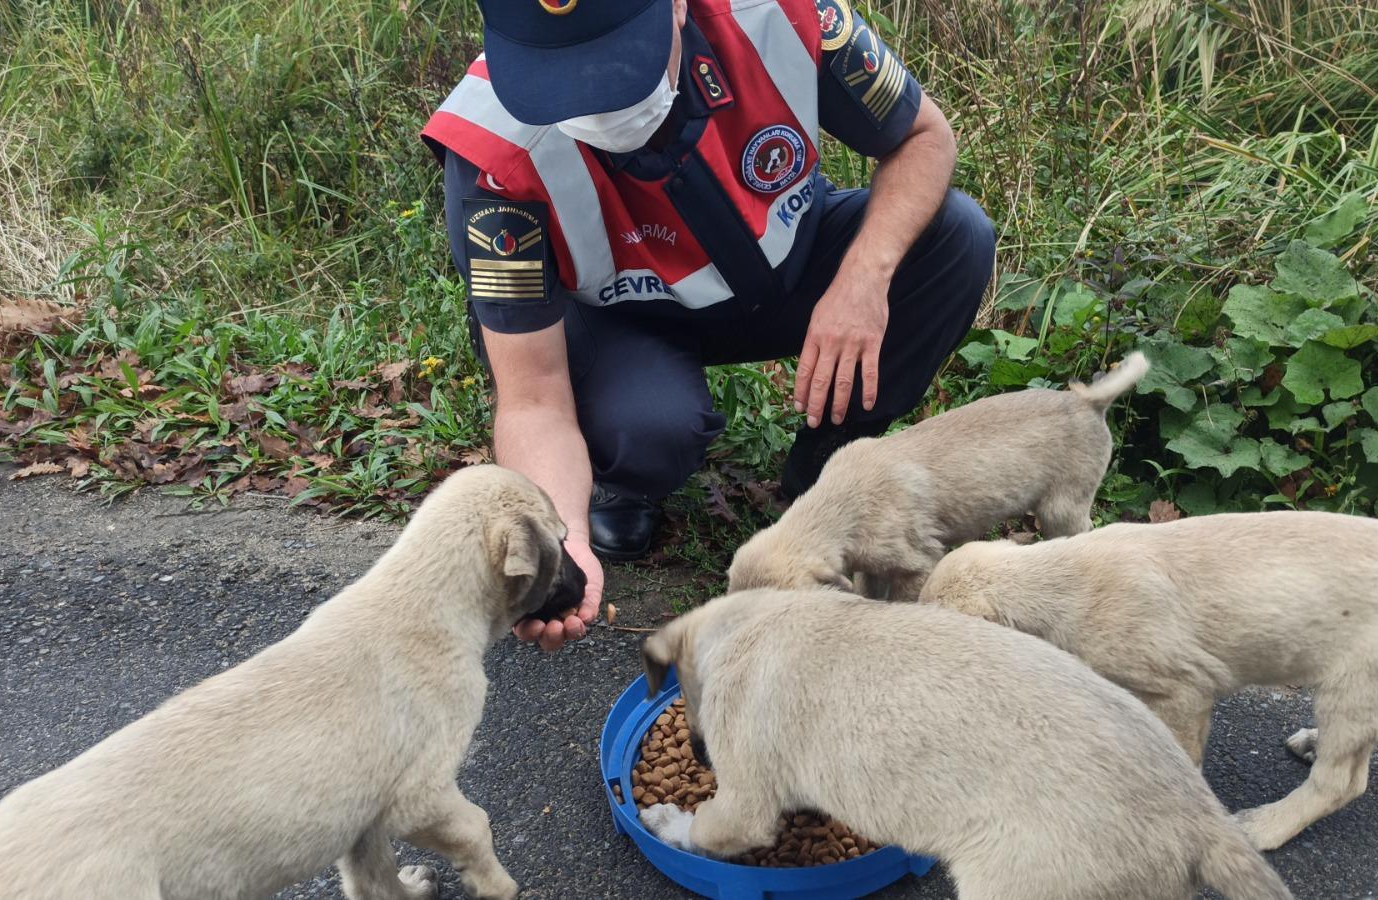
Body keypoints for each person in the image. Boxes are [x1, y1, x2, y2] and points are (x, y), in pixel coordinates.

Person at [421, 0, 995, 652]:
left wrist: (862, 280)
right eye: (563, 82)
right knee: (648, 428)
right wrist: (561, 535)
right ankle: (622, 481)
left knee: (956, 239)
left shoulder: (784, 15)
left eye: (618, 69)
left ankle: (827, 464)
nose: (598, 107)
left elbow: (925, 137)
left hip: (777, 263)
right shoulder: (490, 153)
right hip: (619, 319)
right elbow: (533, 398)